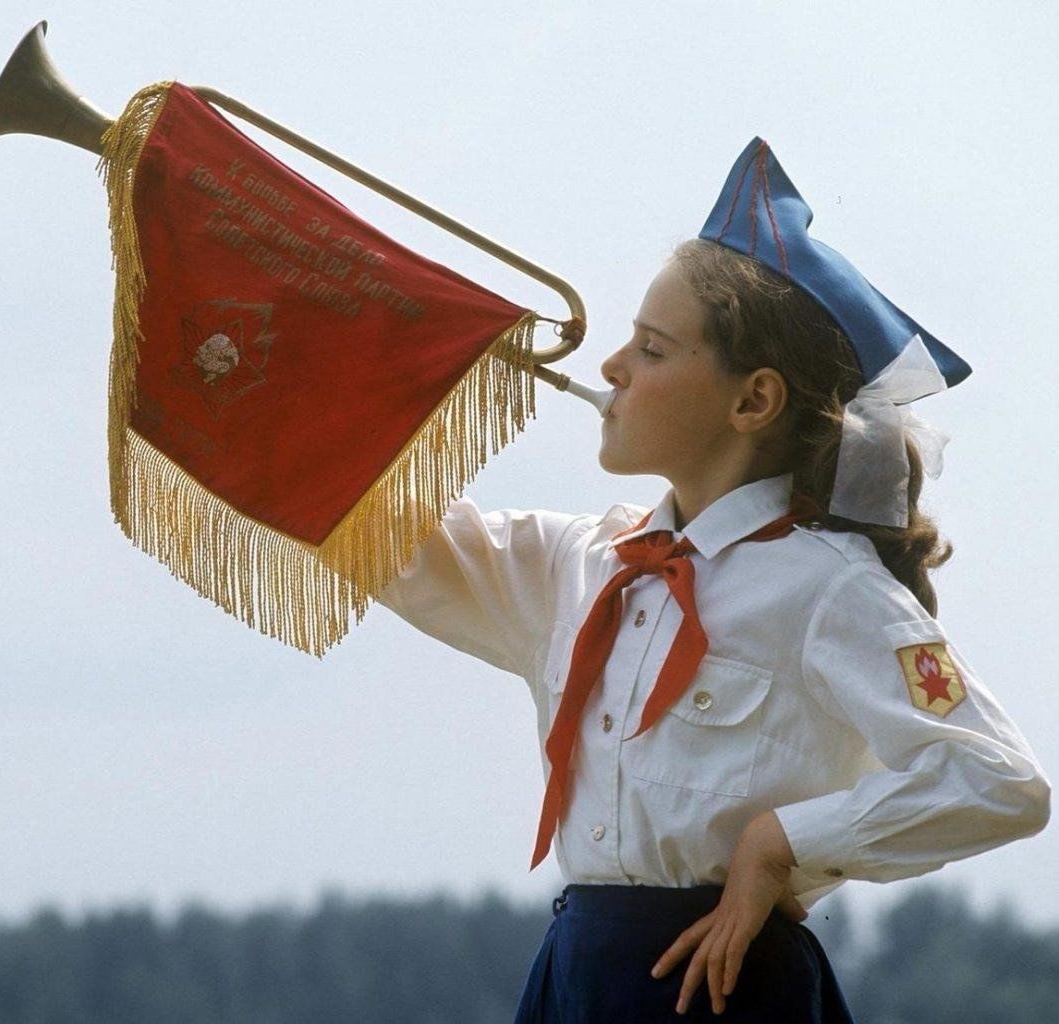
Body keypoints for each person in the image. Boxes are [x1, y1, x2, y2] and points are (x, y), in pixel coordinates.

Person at [376, 138, 1050, 1022]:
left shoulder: (827, 587)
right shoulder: (582, 561)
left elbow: (998, 782)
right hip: (575, 975)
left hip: (724, 988)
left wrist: (779, 846)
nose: (612, 368)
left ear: (752, 402)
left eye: (652, 350)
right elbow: (374, 526)